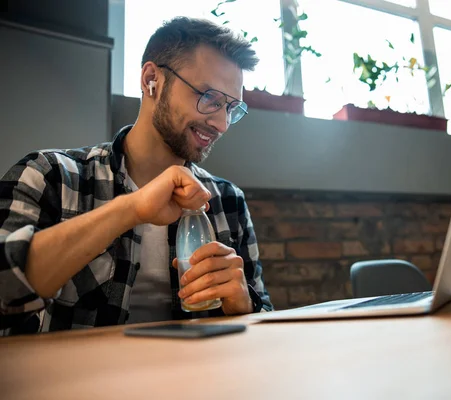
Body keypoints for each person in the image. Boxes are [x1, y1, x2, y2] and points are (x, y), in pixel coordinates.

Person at [0, 17, 273, 335]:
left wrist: (242, 302)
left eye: (231, 108)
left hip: (198, 381)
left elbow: (266, 318)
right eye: (210, 98)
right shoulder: (48, 176)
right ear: (151, 80)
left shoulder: (227, 201)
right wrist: (131, 209)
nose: (222, 124)